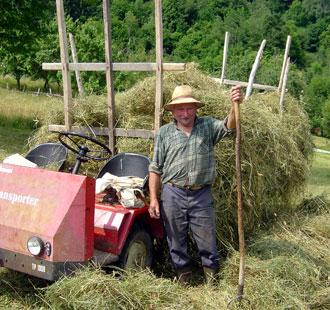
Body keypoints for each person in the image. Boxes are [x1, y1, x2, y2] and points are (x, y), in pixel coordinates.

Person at [148, 84, 243, 284]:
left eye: (189, 108)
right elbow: (155, 168)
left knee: (207, 239)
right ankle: (184, 280)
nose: (185, 113)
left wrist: (234, 104)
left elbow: (230, 125)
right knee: (176, 241)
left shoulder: (207, 127)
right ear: (173, 111)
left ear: (196, 109)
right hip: (173, 194)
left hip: (201, 195)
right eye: (180, 109)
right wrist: (154, 199)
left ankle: (212, 281)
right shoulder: (164, 133)